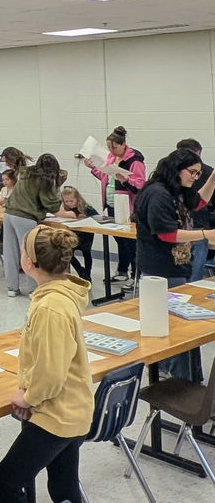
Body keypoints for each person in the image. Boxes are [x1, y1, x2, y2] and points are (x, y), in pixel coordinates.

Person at [0, 226, 94, 503]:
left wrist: (28, 397)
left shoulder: (50, 308)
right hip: (70, 408)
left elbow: (50, 374)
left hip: (57, 414)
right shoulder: (58, 295)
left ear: (28, 262)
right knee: (63, 487)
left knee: (5, 481)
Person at [135, 148, 215, 379]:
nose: (194, 177)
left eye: (198, 174)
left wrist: (212, 178)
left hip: (177, 266)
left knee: (183, 326)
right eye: (192, 172)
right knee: (175, 328)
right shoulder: (157, 193)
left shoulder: (178, 189)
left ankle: (189, 378)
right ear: (176, 169)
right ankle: (177, 377)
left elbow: (199, 202)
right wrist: (207, 234)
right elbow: (167, 234)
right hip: (160, 268)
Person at [85, 126, 145, 282]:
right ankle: (122, 270)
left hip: (127, 204)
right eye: (108, 147)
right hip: (112, 202)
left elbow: (139, 184)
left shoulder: (135, 160)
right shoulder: (111, 158)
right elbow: (106, 176)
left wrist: (124, 179)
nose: (111, 150)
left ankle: (135, 275)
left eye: (114, 147)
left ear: (123, 144)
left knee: (129, 241)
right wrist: (93, 167)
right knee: (120, 239)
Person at [3, 153, 65, 297]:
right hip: (26, 217)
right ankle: (33, 290)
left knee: (10, 253)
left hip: (9, 214)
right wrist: (68, 214)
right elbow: (51, 205)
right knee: (30, 254)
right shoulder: (45, 179)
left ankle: (12, 288)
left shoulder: (26, 173)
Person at [176, 138, 215, 281]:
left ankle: (193, 284)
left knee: (197, 251)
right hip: (182, 224)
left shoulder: (209, 173)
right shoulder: (174, 174)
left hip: (199, 224)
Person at [55, 186, 99, 282]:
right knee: (68, 252)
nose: (69, 204)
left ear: (77, 199)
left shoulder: (86, 207)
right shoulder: (66, 209)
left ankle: (88, 274)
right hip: (73, 234)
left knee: (86, 253)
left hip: (86, 234)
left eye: (71, 201)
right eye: (66, 201)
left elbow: (98, 217)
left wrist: (85, 218)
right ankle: (80, 270)